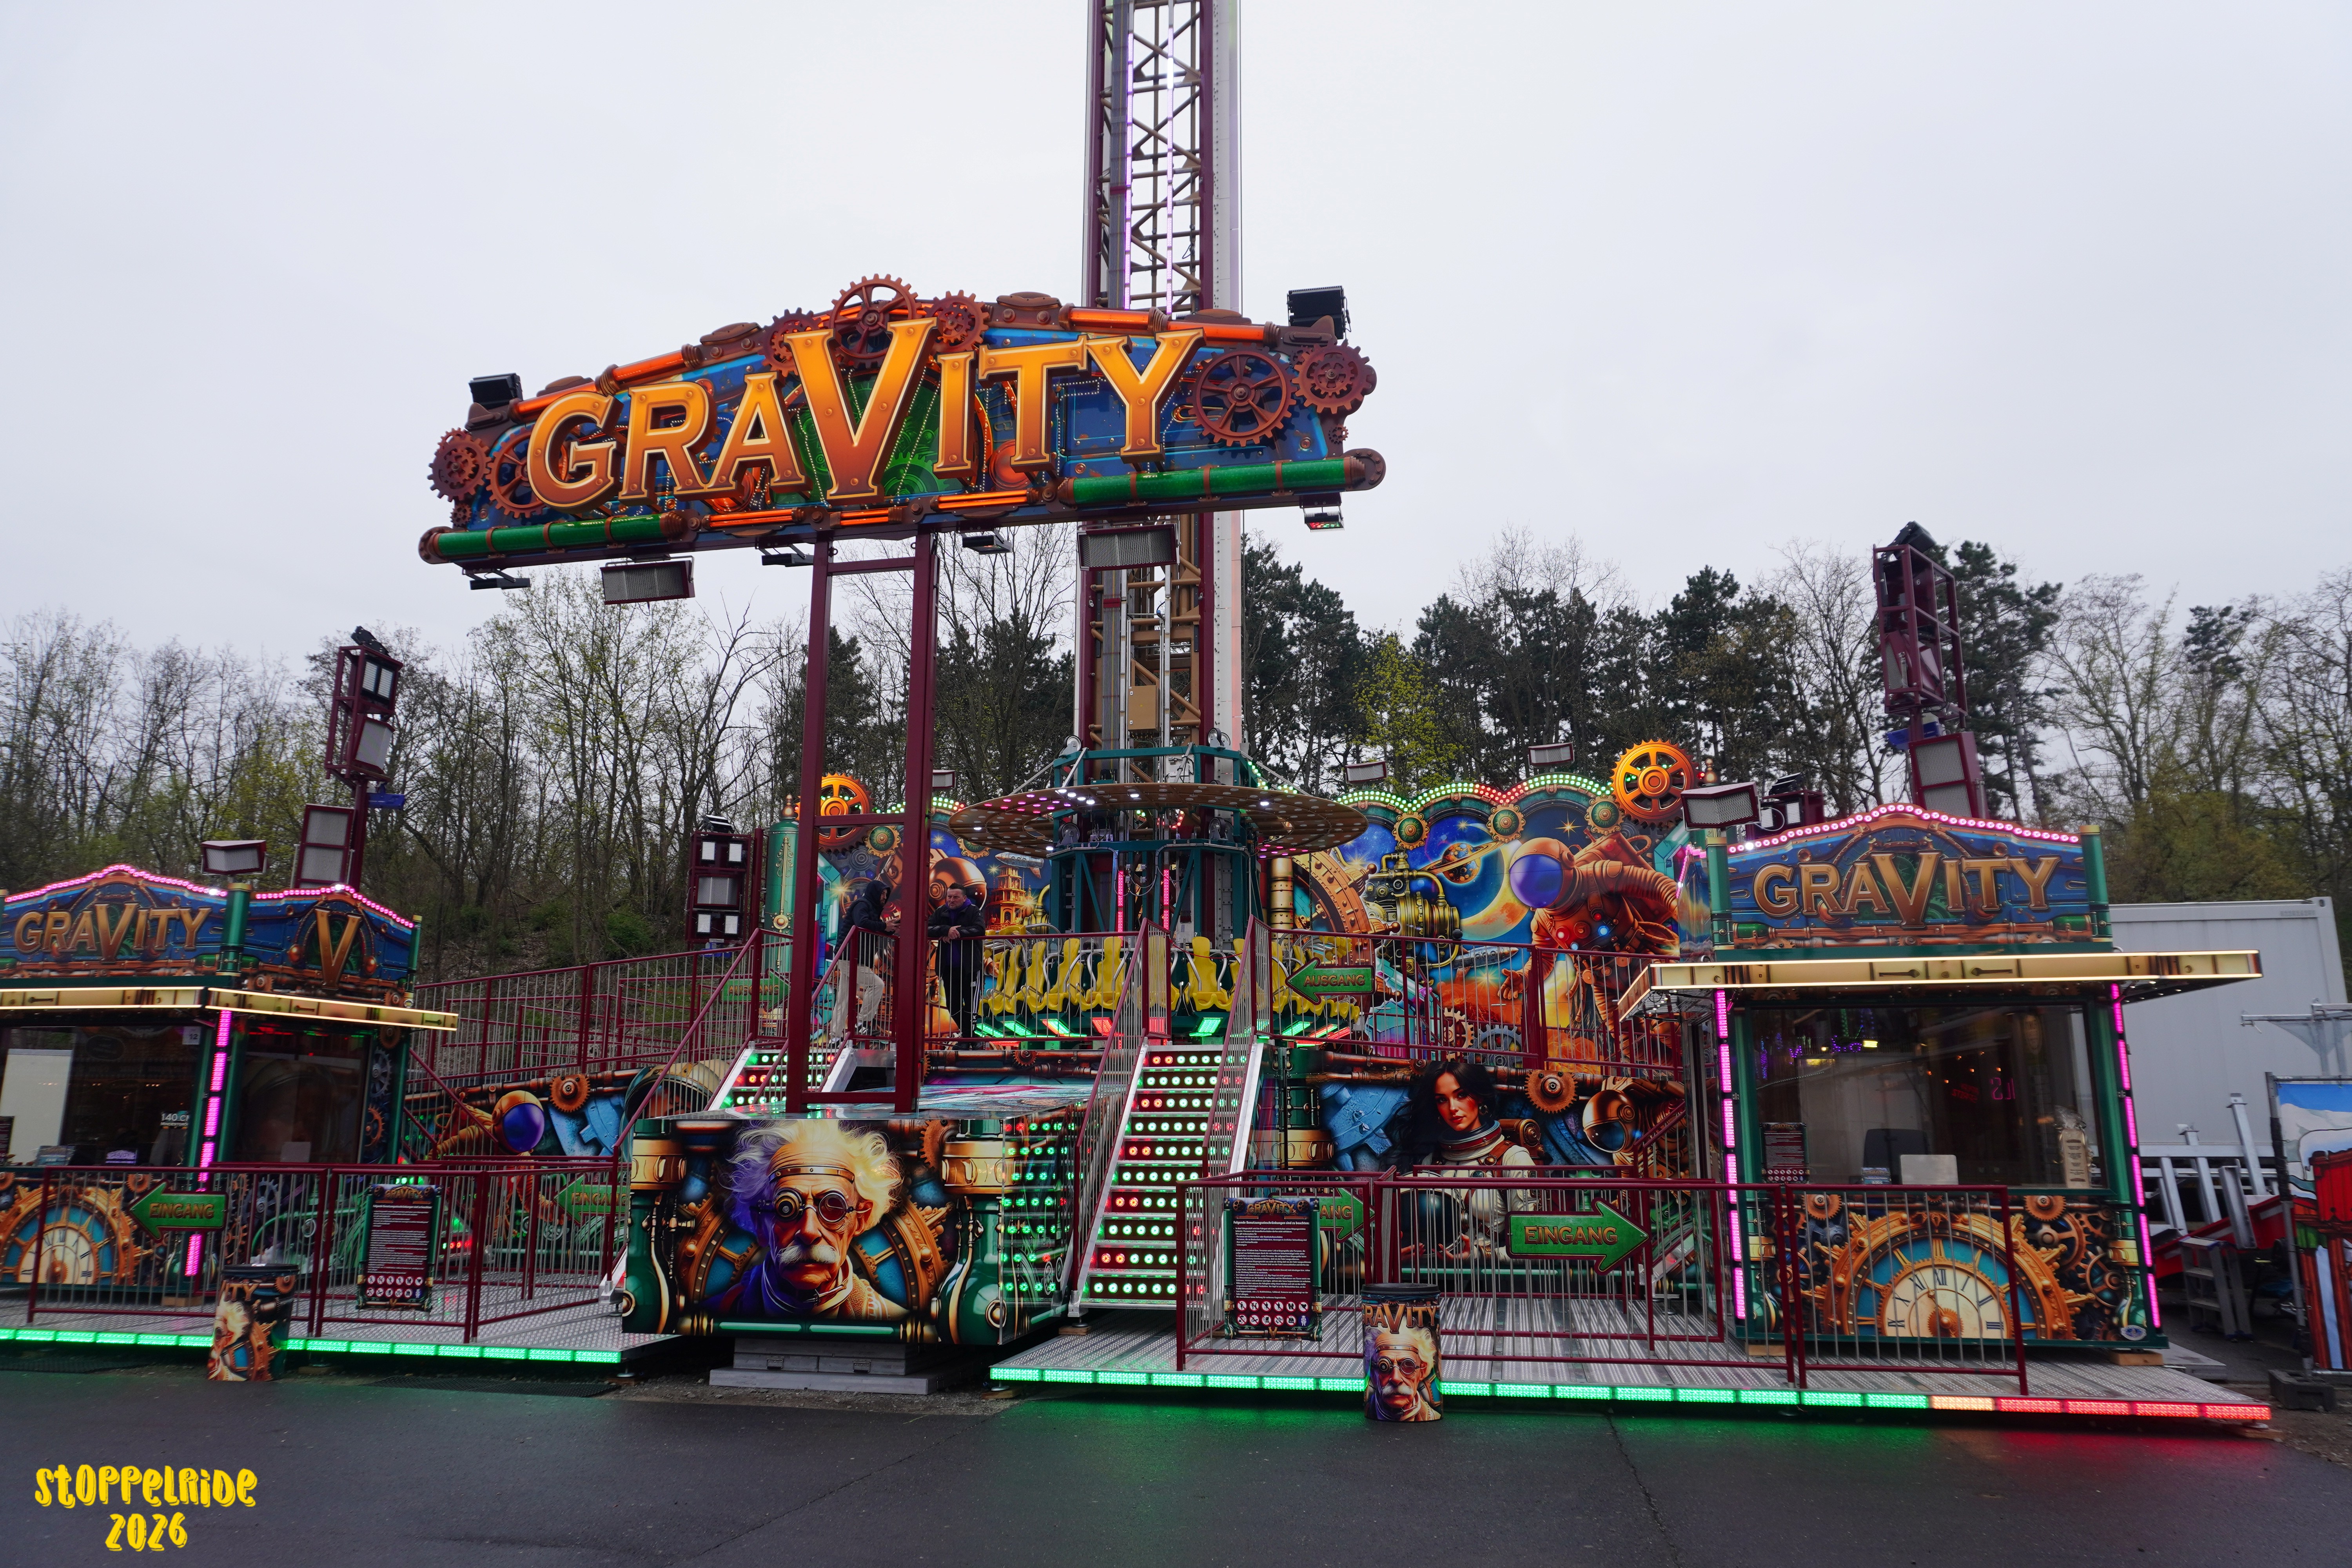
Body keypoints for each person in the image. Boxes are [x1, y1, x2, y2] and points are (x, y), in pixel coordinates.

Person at [714, 1121, 907, 1321]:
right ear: (761, 1223)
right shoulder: (714, 1315)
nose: (809, 1232)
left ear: (860, 1218)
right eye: (786, 1208)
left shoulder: (894, 1321)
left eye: (833, 1208)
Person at [928, 882, 987, 1039]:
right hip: (948, 968)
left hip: (970, 968)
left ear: (964, 898)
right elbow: (927, 928)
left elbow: (980, 930)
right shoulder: (941, 911)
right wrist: (946, 930)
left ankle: (967, 1038)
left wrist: (957, 933)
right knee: (953, 1007)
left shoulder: (974, 911)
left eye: (955, 897)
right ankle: (970, 1037)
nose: (951, 900)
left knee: (971, 1006)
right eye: (949, 897)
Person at [842, 879, 898, 1037]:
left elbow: (876, 927)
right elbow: (862, 923)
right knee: (877, 984)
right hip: (851, 957)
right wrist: (884, 926)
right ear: (874, 892)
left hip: (853, 958)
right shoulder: (862, 905)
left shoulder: (871, 909)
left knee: (843, 999)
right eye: (882, 893)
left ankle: (836, 1036)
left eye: (886, 894)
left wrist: (890, 927)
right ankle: (862, 1023)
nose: (884, 897)